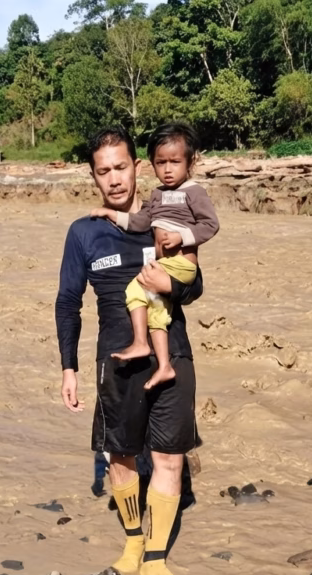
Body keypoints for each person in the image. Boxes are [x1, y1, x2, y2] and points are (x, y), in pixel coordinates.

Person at [55, 126, 201, 575]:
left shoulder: (169, 214)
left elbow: (195, 285)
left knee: (169, 458)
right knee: (119, 453)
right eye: (104, 171)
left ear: (138, 167)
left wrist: (170, 287)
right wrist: (69, 369)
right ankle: (133, 541)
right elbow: (67, 301)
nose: (114, 179)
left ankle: (156, 557)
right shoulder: (84, 232)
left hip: (171, 351)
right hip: (115, 359)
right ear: (93, 176)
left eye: (121, 167)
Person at [91, 123, 219, 390]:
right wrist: (112, 215)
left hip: (180, 265)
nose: (168, 169)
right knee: (156, 312)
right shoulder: (158, 195)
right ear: (151, 164)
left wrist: (181, 237)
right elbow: (140, 222)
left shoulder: (194, 192)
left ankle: (140, 342)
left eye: (175, 162)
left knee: (134, 290)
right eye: (161, 163)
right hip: (165, 266)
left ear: (190, 161)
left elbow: (210, 225)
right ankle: (164, 365)